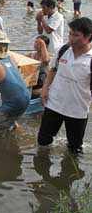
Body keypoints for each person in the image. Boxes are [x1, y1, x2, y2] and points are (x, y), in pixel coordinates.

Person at [37, 17, 92, 154]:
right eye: (70, 33)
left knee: (74, 148)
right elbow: (53, 69)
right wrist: (45, 89)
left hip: (77, 109)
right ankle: (43, 167)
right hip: (54, 103)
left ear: (88, 36)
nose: (71, 38)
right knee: (43, 141)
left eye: (76, 35)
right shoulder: (63, 49)